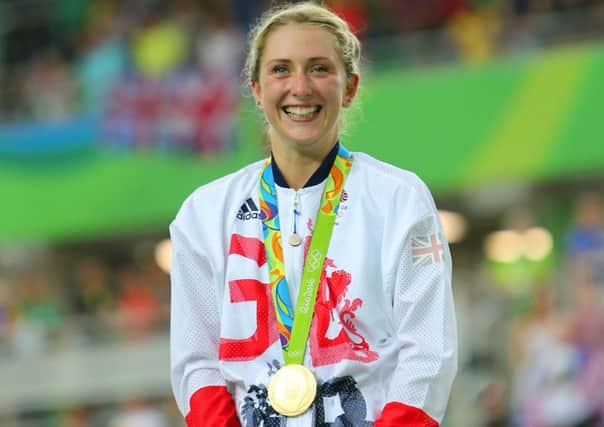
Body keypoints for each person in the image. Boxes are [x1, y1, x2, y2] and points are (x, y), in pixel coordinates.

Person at [169, 2, 457, 426]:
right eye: (281, 70)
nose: (299, 87)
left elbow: (428, 353)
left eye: (319, 69)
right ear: (256, 88)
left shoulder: (398, 199)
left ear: (350, 87)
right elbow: (196, 363)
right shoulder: (204, 214)